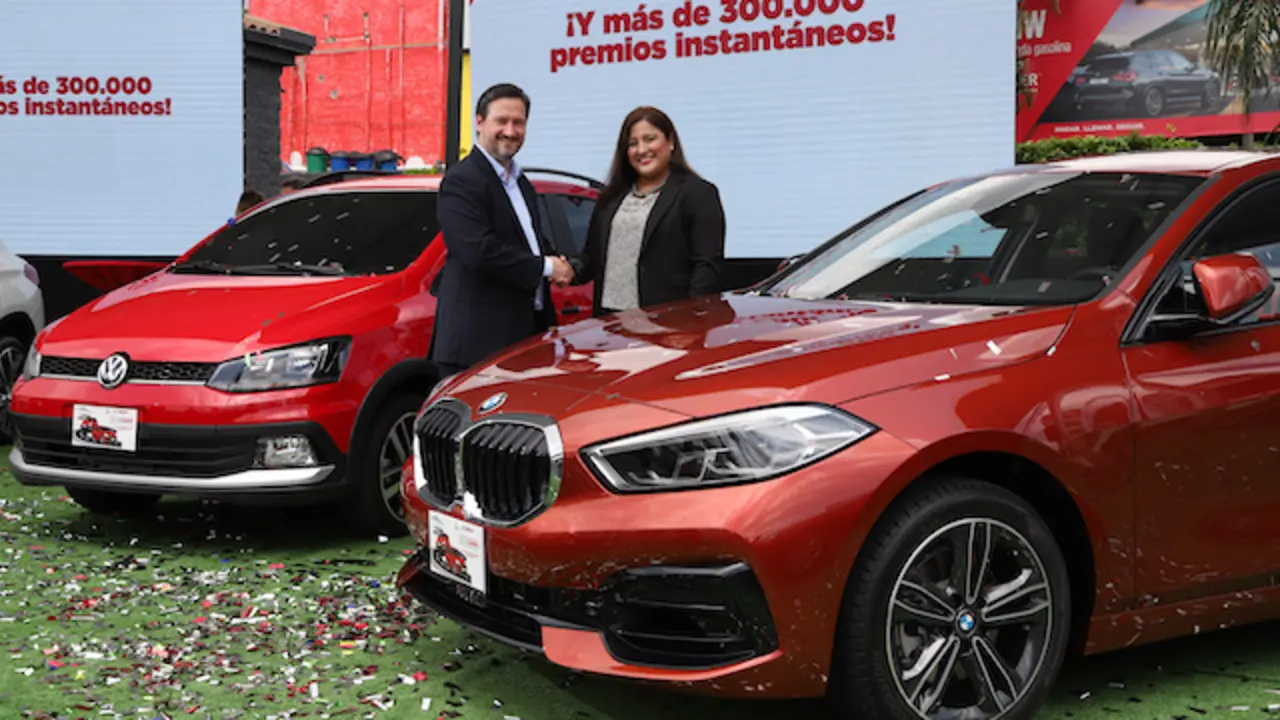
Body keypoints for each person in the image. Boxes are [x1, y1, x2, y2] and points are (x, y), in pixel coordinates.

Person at [430, 83, 574, 376]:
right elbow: (478, 251)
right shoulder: (462, 180)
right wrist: (547, 267)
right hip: (478, 344)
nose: (510, 131)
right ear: (479, 122)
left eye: (518, 122)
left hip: (524, 340)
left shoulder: (521, 183)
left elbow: (529, 244)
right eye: (501, 121)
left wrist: (563, 263)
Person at [569, 106, 726, 316]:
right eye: (633, 143)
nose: (642, 150)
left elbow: (706, 268)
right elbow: (591, 257)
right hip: (609, 324)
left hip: (669, 326)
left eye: (650, 139)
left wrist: (693, 321)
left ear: (670, 141)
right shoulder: (611, 198)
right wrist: (565, 269)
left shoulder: (698, 194)